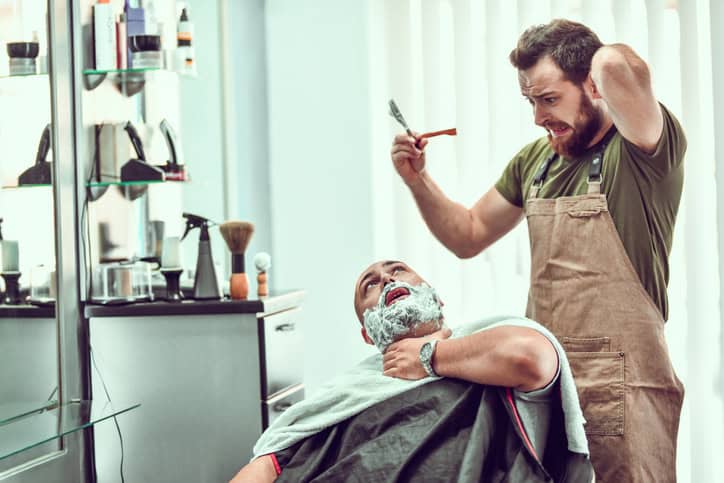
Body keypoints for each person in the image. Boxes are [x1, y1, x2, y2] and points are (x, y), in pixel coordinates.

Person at [389, 18, 685, 482]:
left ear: (592, 85)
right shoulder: (535, 162)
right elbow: (467, 236)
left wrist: (595, 62)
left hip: (622, 390)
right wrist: (417, 179)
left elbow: (615, 64)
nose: (538, 116)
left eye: (549, 99)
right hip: (545, 382)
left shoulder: (641, 153)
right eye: (530, 100)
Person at [230, 260, 592, 482]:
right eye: (369, 285)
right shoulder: (345, 395)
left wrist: (430, 357)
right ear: (367, 333)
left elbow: (532, 358)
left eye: (398, 270)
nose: (386, 279)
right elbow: (270, 464)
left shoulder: (493, 343)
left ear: (437, 299)